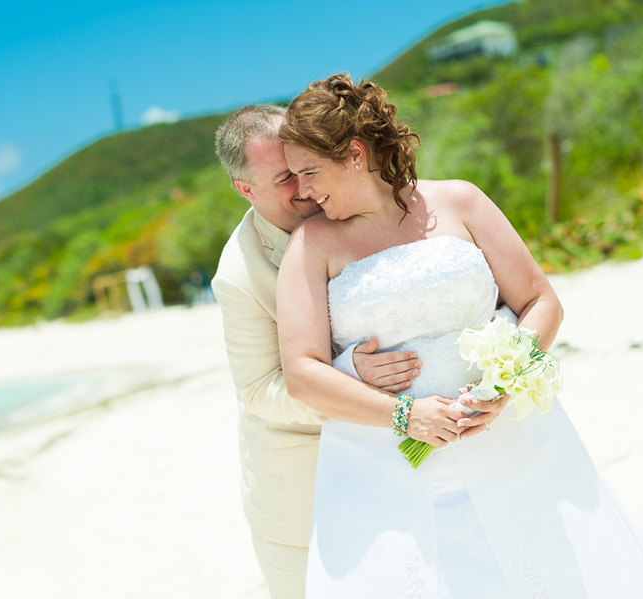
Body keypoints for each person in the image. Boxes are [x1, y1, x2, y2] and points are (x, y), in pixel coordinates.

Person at [276, 73, 643, 598]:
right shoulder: (312, 243)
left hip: (511, 440)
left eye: (308, 171)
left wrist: (507, 380)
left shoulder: (460, 202)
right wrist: (405, 416)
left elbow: (540, 301)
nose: (301, 192)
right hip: (385, 464)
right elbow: (301, 373)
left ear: (353, 153)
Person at [211, 105, 506, 599]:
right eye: (286, 177)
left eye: (309, 167)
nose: (305, 188)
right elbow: (259, 389)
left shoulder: (365, 209)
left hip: (429, 445)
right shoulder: (238, 275)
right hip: (303, 474)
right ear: (246, 190)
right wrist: (350, 376)